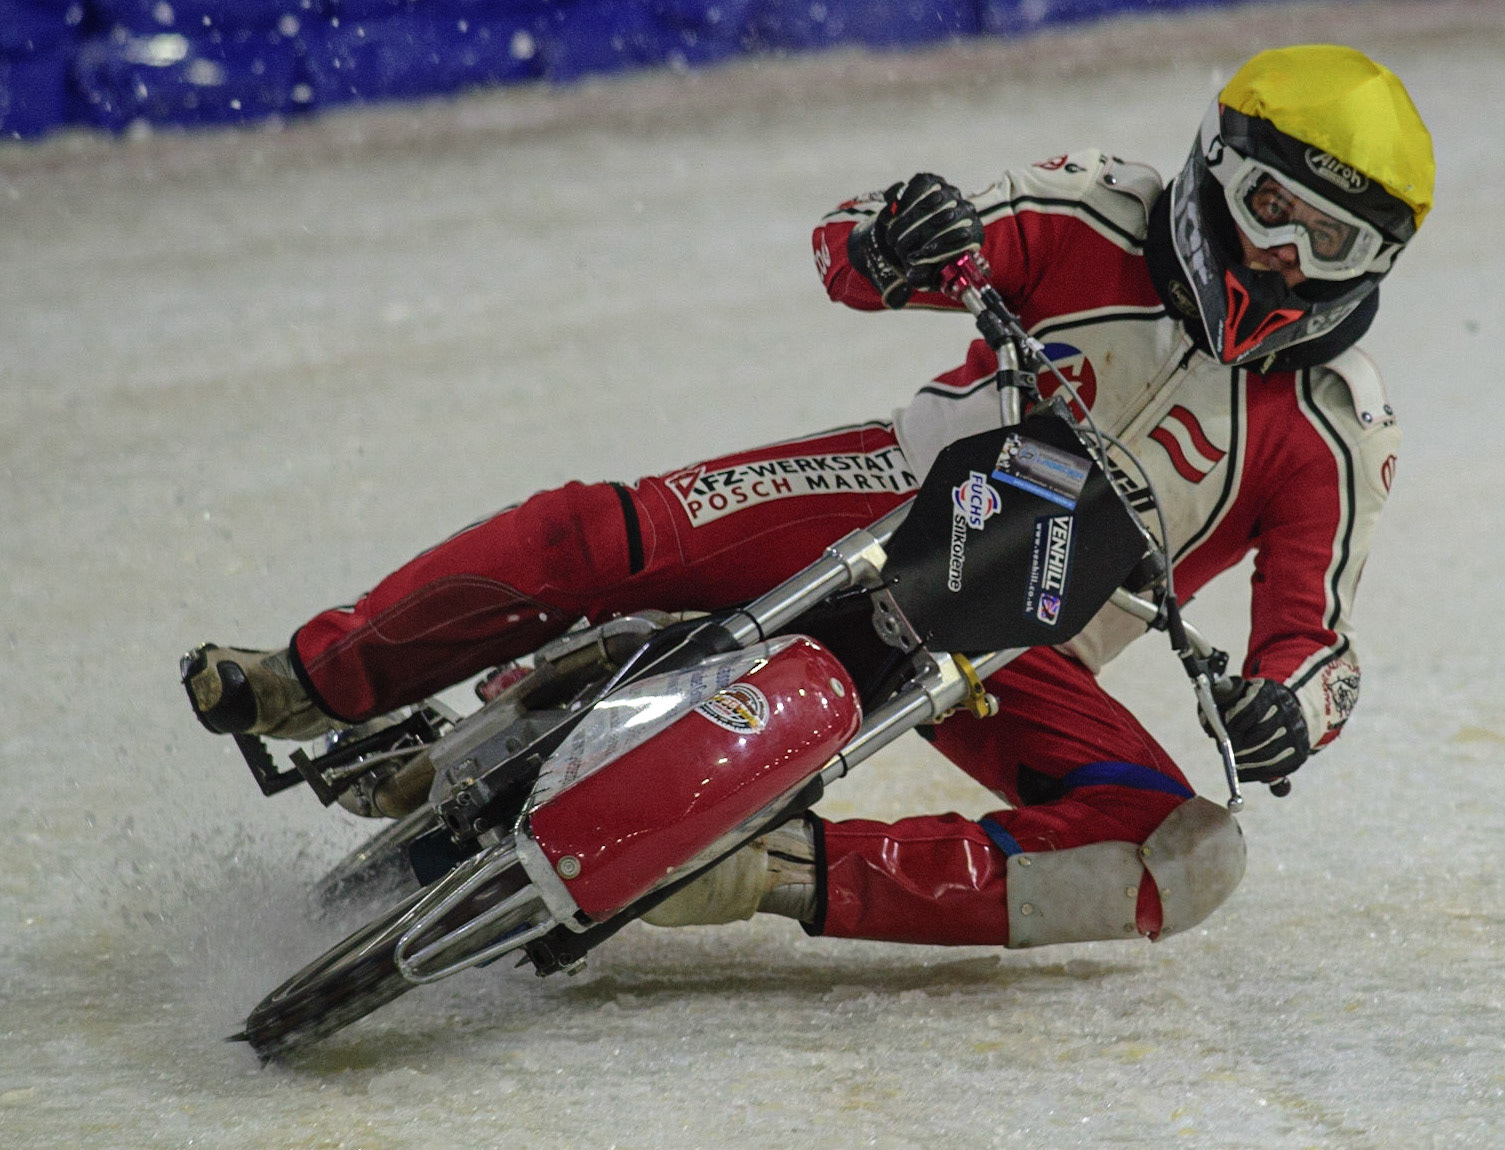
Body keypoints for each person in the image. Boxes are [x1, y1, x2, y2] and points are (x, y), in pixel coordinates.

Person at [183, 44, 1430, 949]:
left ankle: (770, 872)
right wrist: (899, 235)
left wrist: (1287, 713)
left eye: (1332, 243)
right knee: (597, 529)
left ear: (1376, 266)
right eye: (1270, 207)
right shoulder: (1088, 202)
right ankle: (320, 675)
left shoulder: (1335, 426)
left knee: (1188, 855)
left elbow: (1316, 644)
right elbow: (853, 246)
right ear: (1216, 165)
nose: (1281, 257)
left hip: (1013, 642)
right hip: (877, 492)